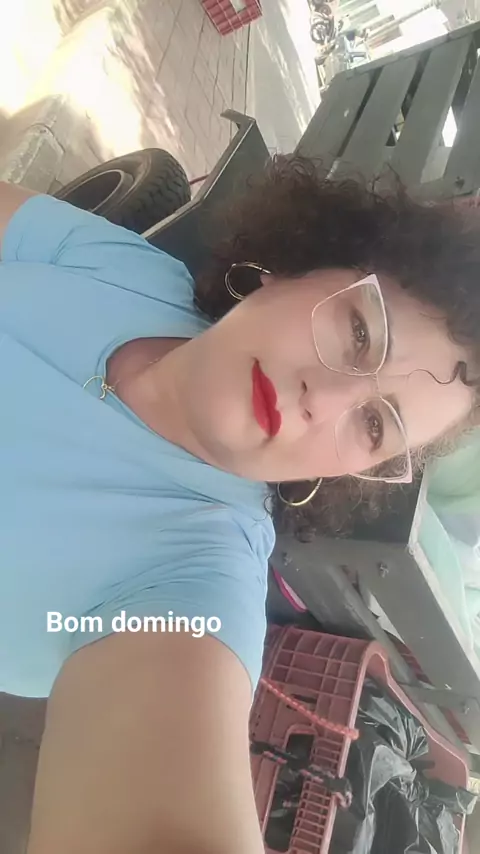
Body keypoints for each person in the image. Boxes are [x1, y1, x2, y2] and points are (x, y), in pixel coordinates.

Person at [1, 157, 479, 854]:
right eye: (359, 334)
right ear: (296, 268)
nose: (325, 398)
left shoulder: (193, 579)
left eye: (375, 425)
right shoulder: (133, 275)